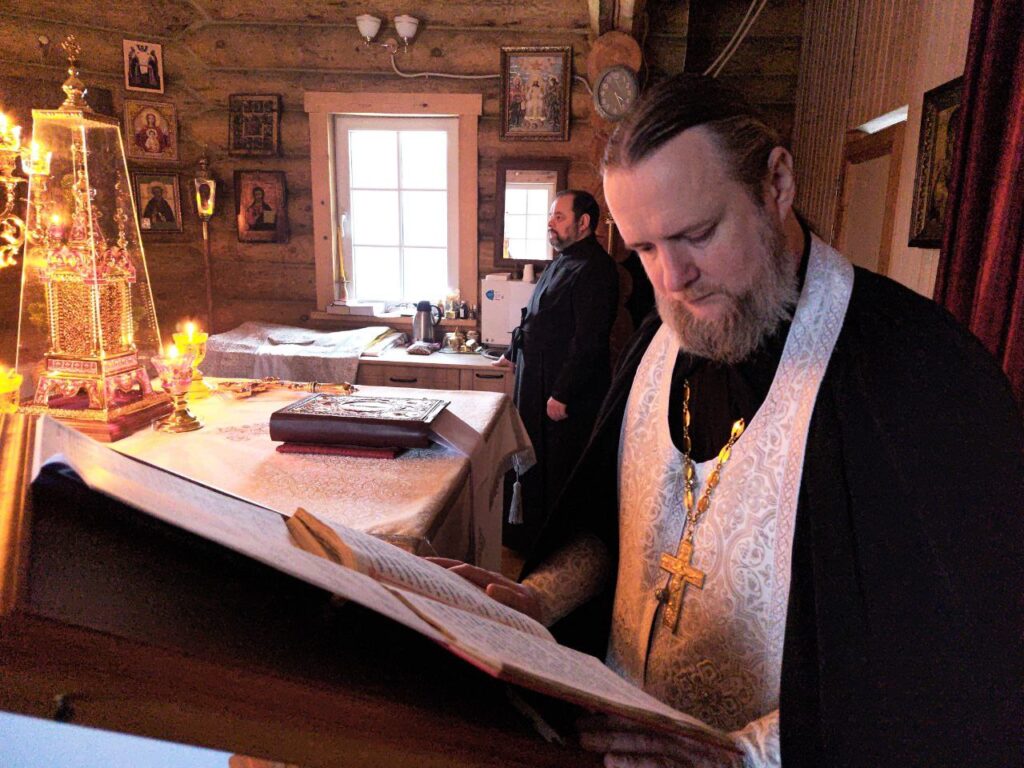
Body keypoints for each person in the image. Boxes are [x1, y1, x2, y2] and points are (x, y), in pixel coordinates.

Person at [444, 75, 1023, 767]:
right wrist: (537, 598)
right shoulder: (658, 345)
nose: (671, 279)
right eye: (645, 249)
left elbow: (940, 668)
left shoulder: (917, 374)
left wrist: (741, 755)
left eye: (696, 234)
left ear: (777, 184)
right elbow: (610, 525)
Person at [494, 190, 618, 552]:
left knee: (556, 469)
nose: (550, 223)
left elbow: (590, 340)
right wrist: (513, 354)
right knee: (531, 458)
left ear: (584, 223)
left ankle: (551, 550)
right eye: (551, 216)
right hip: (536, 381)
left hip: (562, 393)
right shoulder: (562, 261)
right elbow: (536, 318)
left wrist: (563, 392)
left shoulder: (596, 269)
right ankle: (526, 539)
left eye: (559, 216)